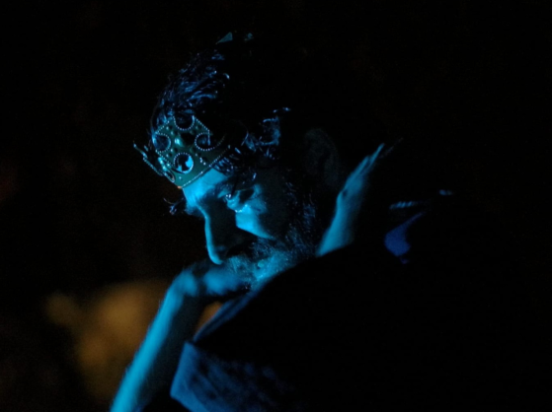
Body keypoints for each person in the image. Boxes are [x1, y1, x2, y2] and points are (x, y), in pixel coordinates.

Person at [112, 32, 546, 412]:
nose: (216, 246)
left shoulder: (433, 250)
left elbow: (321, 379)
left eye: (234, 195)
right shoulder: (299, 282)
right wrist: (185, 294)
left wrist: (340, 248)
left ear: (316, 157)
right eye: (201, 216)